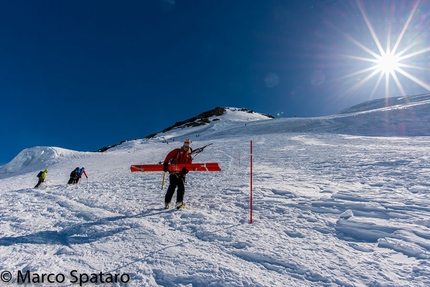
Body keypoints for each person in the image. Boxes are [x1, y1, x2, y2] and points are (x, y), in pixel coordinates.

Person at [163, 139, 193, 209]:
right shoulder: (177, 151)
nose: (185, 147)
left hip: (182, 174)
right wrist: (165, 163)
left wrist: (186, 171)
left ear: (189, 147)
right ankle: (167, 203)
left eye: (187, 145)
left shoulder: (189, 156)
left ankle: (179, 203)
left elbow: (189, 166)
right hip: (173, 172)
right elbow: (169, 156)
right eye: (185, 145)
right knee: (172, 187)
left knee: (181, 187)